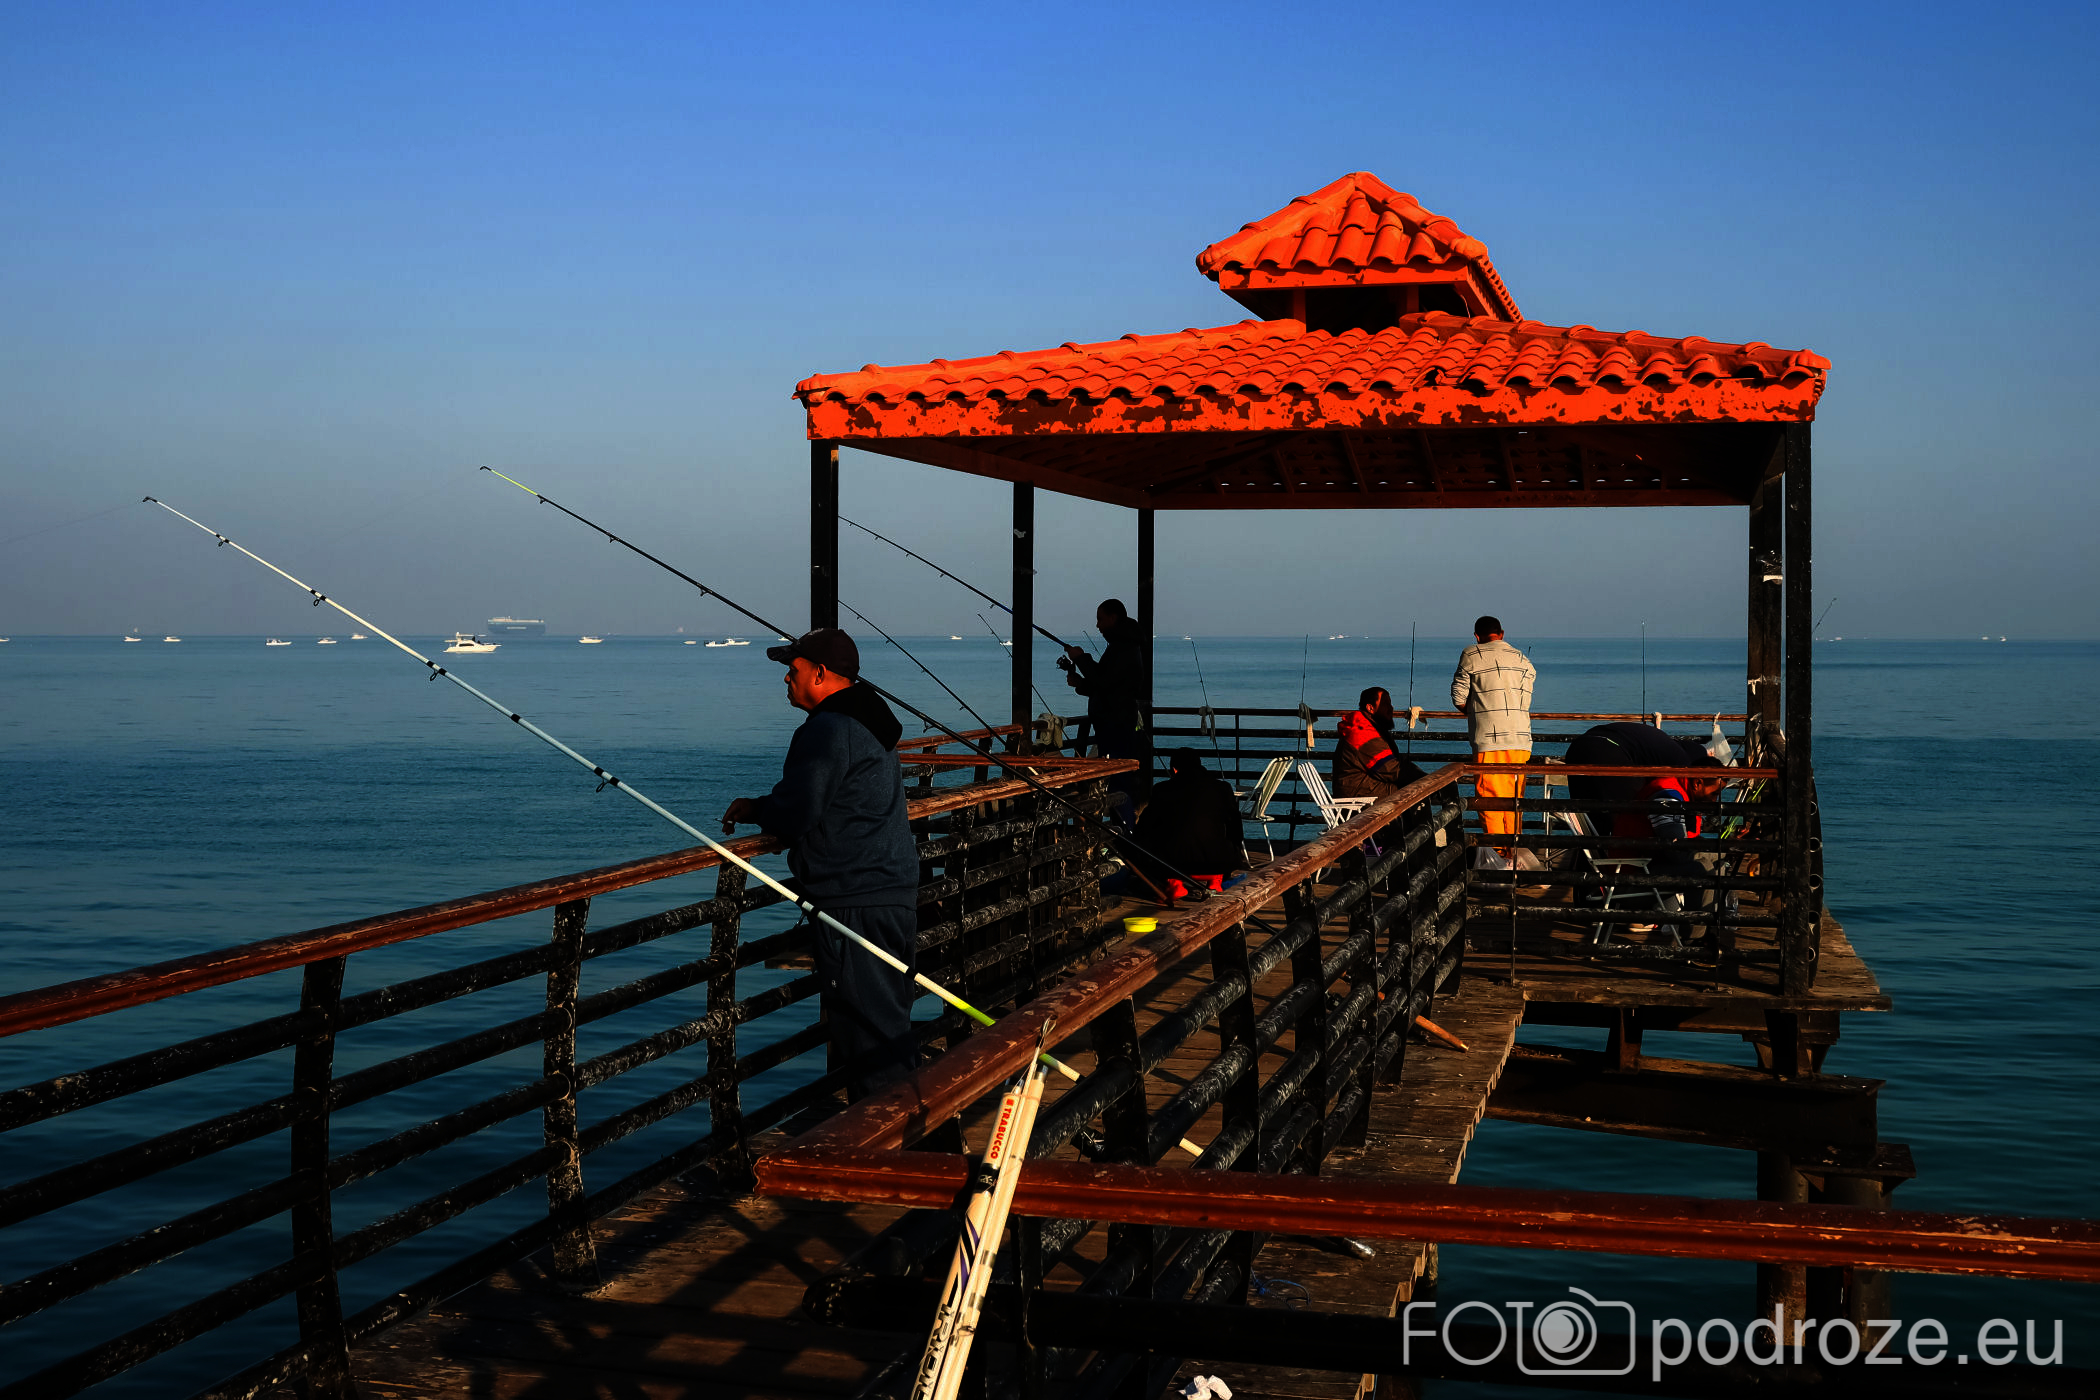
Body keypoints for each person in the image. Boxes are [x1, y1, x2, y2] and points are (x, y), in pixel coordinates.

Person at [722, 628, 921, 1098]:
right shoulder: (870, 719)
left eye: (793, 670)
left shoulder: (830, 728)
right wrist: (764, 807)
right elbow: (832, 798)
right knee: (887, 1025)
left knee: (870, 1041)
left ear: (820, 673)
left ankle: (893, 1137)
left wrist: (761, 811)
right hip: (890, 892)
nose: (786, 679)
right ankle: (909, 1129)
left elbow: (799, 811)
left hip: (855, 900)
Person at [1563, 721, 1729, 945]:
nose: (1714, 801)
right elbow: (1674, 852)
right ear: (1697, 782)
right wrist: (1700, 851)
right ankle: (1693, 940)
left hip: (1585, 749)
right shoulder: (1668, 796)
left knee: (1714, 862)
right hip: (1633, 877)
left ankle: (1704, 932)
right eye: (1714, 793)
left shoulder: (1669, 780)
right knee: (1701, 870)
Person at [1451, 617, 1536, 858]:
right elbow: (1525, 700)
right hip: (1520, 739)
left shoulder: (1471, 654)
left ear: (1476, 636)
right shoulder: (1522, 658)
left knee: (1489, 798)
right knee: (1514, 799)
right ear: (1502, 633)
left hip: (1489, 739)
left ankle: (1499, 856)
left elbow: (1458, 697)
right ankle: (1514, 852)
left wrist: (1479, 712)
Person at [1062, 598, 1146, 821]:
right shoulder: (1123, 645)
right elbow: (1110, 685)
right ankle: (1124, 826)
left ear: (1113, 617)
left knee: (1117, 779)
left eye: (1100, 619)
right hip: (1115, 723)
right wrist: (1081, 684)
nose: (1097, 625)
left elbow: (1105, 681)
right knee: (1116, 778)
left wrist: (1081, 658)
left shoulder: (1123, 647)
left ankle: (1126, 829)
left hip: (1116, 725)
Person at [1133, 749, 1246, 899]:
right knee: (1218, 845)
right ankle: (1215, 882)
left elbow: (1144, 827)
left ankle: (1174, 884)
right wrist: (1235, 851)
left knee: (1153, 843)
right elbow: (1235, 827)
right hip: (1217, 863)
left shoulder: (1161, 789)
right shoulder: (1222, 788)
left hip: (1173, 865)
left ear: (1174, 769)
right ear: (1199, 765)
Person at [1333, 686, 1430, 800]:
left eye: (1390, 704)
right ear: (1370, 708)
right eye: (1385, 704)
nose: (1391, 708)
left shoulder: (1369, 727)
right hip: (1357, 796)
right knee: (1413, 792)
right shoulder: (1362, 733)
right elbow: (1389, 769)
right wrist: (1427, 780)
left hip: (1363, 788)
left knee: (1414, 787)